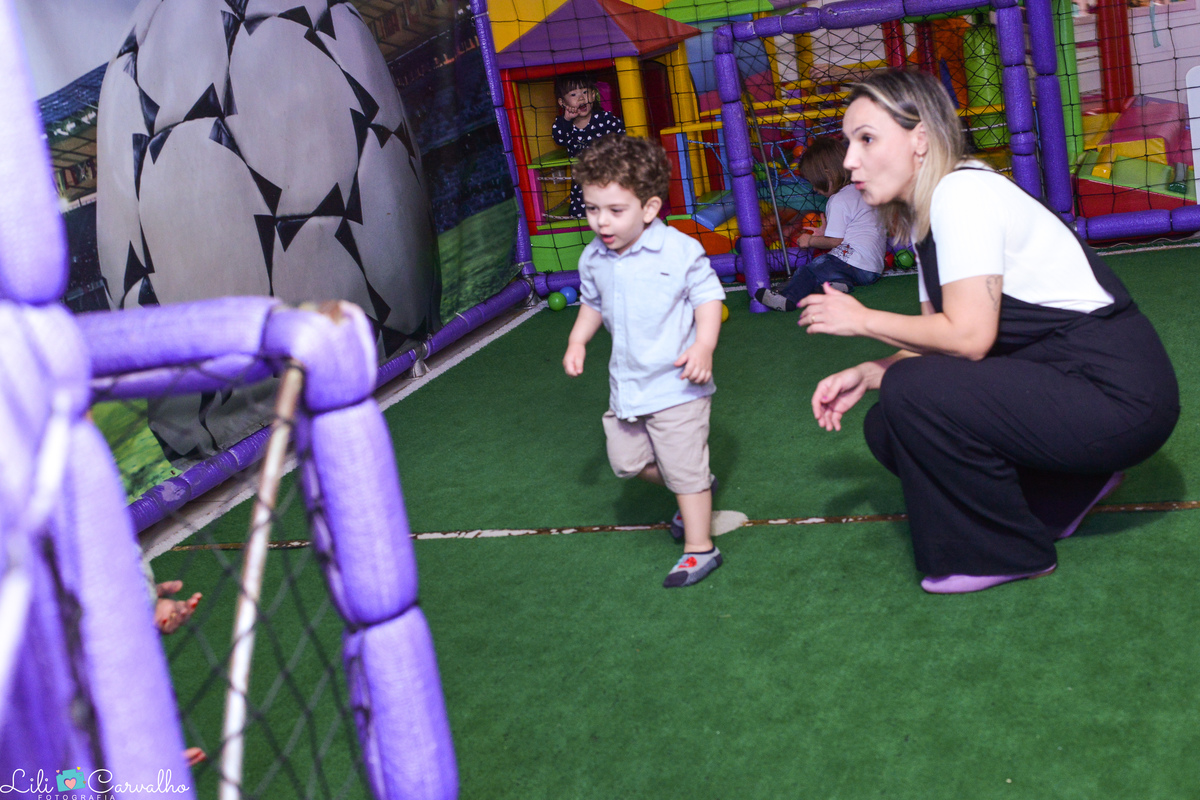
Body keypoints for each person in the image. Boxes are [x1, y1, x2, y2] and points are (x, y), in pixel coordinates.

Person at [799, 70, 1178, 594]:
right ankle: (1069, 489)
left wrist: (862, 319)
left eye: (866, 139)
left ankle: (1002, 551)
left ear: (921, 140)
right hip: (1069, 385)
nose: (848, 161)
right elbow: (938, 338)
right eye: (848, 143)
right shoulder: (925, 215)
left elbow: (969, 338)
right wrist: (869, 372)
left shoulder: (962, 193)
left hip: (1120, 396)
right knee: (889, 423)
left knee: (913, 393)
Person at [562, 135, 727, 588]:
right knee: (627, 462)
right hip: (629, 385)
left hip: (677, 383)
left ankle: (700, 548)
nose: (601, 222)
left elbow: (709, 296)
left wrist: (704, 346)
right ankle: (696, 482)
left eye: (615, 211)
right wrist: (578, 341)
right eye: (593, 209)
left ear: (649, 208)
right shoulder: (593, 257)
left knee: (683, 467)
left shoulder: (676, 249)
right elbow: (591, 304)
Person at [756, 136, 886, 311]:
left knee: (809, 270)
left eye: (815, 183)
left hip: (853, 263)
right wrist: (825, 231)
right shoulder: (862, 190)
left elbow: (835, 242)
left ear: (828, 174)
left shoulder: (838, 200)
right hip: (872, 270)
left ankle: (787, 299)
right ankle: (840, 284)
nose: (815, 189)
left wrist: (809, 241)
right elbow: (855, 228)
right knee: (829, 269)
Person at [551, 75, 626, 218]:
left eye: (585, 92)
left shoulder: (605, 119)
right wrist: (566, 119)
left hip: (608, 179)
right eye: (573, 94)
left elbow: (622, 135)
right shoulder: (564, 125)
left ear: (593, 95)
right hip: (582, 186)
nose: (581, 98)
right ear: (562, 102)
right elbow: (559, 139)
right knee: (582, 218)